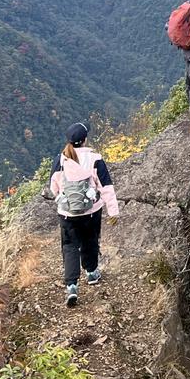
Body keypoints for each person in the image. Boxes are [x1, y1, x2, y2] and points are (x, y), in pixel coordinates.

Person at [49, 121, 119, 308]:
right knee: (90, 240)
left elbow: (53, 187)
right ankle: (91, 273)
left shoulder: (61, 159)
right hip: (91, 211)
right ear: (85, 139)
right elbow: (106, 187)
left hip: (67, 213)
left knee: (70, 246)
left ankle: (72, 286)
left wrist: (64, 199)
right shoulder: (94, 158)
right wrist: (113, 211)